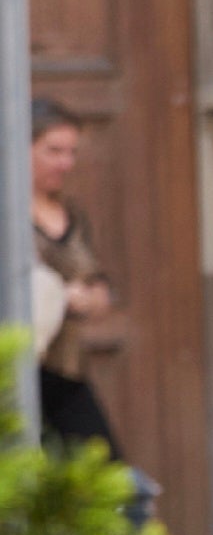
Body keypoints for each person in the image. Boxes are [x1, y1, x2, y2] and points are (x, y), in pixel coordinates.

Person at [30, 98, 121, 455]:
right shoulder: (8, 217)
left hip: (66, 370)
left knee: (109, 484)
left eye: (71, 152)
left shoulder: (72, 213)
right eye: (53, 151)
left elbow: (95, 276)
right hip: (20, 369)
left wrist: (96, 296)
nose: (65, 163)